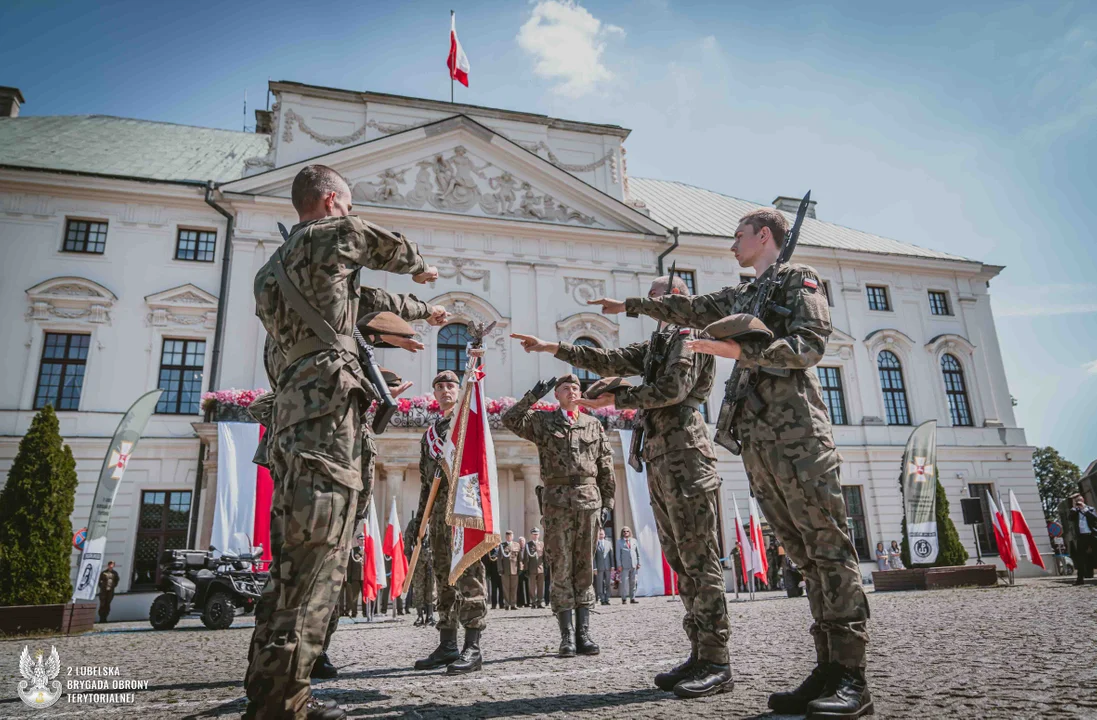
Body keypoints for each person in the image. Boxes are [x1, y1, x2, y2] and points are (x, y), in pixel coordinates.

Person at [587, 207, 872, 717]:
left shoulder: (796, 281)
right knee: (803, 557)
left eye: (737, 235)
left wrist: (736, 350)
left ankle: (851, 674)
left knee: (828, 550)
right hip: (758, 440)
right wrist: (628, 305)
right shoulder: (744, 293)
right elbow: (692, 308)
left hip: (799, 437)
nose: (731, 244)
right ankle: (827, 667)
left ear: (764, 236)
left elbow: (808, 346)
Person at [245, 164, 437, 720]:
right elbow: (380, 244)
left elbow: (360, 299)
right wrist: (421, 271)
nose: (349, 214)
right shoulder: (335, 234)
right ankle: (284, 705)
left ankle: (270, 697)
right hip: (327, 433)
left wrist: (421, 314)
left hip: (292, 430)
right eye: (347, 205)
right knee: (314, 573)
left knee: (288, 574)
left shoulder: (270, 275)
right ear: (331, 202)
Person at [513, 275, 731, 699]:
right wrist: (551, 348)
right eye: (651, 301)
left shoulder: (688, 335)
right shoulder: (659, 345)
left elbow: (674, 389)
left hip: (686, 449)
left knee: (698, 557)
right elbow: (610, 359)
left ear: (680, 301)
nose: (654, 307)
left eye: (660, 299)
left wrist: (616, 400)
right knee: (681, 559)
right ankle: (700, 651)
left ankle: (718, 660)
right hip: (661, 452)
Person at [503, 374, 616, 659]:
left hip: (589, 500)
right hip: (556, 504)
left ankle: (584, 633)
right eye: (565, 388)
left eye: (576, 387)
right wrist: (531, 396)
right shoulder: (543, 423)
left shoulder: (593, 425)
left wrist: (608, 501)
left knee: (585, 567)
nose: (571, 391)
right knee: (562, 567)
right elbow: (510, 420)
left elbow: (605, 465)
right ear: (557, 395)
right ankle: (566, 636)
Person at [410, 369, 489, 674]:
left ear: (459, 391)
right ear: (434, 394)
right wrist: (420, 522)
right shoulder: (429, 435)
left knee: (468, 575)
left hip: (464, 508)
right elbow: (425, 483)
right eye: (440, 386)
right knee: (444, 578)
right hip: (439, 515)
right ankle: (447, 645)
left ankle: (473, 648)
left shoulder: (468, 424)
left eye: (451, 385)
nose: (445, 390)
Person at [1068, 494, 1097, 585]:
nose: (1078, 503)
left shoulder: (1090, 509)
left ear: (1083, 500)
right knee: (1080, 558)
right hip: (1081, 537)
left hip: (1092, 535)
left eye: (1079, 501)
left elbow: (1094, 518)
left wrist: (1084, 509)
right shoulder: (1074, 511)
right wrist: (1074, 508)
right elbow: (1070, 518)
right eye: (1077, 501)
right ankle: (1080, 579)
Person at [496, 531, 521, 610]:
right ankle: (507, 604)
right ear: (506, 537)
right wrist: (500, 569)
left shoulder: (517, 545)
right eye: (507, 536)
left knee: (514, 588)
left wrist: (520, 568)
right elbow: (499, 559)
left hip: (515, 569)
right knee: (506, 588)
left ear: (512, 536)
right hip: (505, 570)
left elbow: (519, 558)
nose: (509, 537)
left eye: (510, 536)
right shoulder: (502, 546)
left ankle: (513, 604)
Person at [616, 527, 641, 604]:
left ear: (630, 532)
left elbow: (638, 553)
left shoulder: (634, 541)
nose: (626, 532)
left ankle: (632, 598)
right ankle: (624, 598)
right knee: (624, 582)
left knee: (633, 582)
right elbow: (618, 555)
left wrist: (638, 563)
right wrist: (619, 565)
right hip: (624, 566)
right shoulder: (619, 542)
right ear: (622, 533)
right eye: (624, 531)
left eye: (627, 531)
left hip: (633, 564)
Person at [343, 537, 364, 618]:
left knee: (365, 596)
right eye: (361, 539)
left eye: (364, 539)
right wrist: (349, 577)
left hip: (365, 577)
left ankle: (365, 612)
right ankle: (354, 612)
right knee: (354, 596)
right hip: (356, 577)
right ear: (357, 541)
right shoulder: (353, 550)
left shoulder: (369, 549)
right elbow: (350, 565)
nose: (363, 541)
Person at [594, 528, 614, 606]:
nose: (601, 535)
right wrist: (594, 568)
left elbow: (611, 555)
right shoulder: (595, 544)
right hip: (599, 567)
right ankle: (602, 599)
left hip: (608, 567)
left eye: (602, 534)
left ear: (604, 535)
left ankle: (607, 598)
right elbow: (594, 557)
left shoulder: (608, 543)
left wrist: (612, 566)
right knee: (600, 584)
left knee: (608, 583)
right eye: (599, 534)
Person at [526, 528, 546, 609]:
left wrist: (545, 567)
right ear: (531, 535)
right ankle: (533, 601)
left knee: (541, 586)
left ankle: (540, 601)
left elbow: (544, 557)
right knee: (532, 587)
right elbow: (526, 558)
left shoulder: (542, 544)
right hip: (532, 568)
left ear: (539, 535)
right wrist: (526, 569)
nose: (535, 536)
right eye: (534, 534)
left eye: (537, 534)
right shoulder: (528, 545)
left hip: (540, 568)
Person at [517, 535, 530, 607]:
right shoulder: (517, 549)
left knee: (528, 586)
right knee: (520, 587)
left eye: (523, 541)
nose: (521, 543)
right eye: (520, 541)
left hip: (527, 570)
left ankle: (528, 602)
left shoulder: (527, 549)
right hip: (520, 570)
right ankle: (520, 602)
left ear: (525, 542)